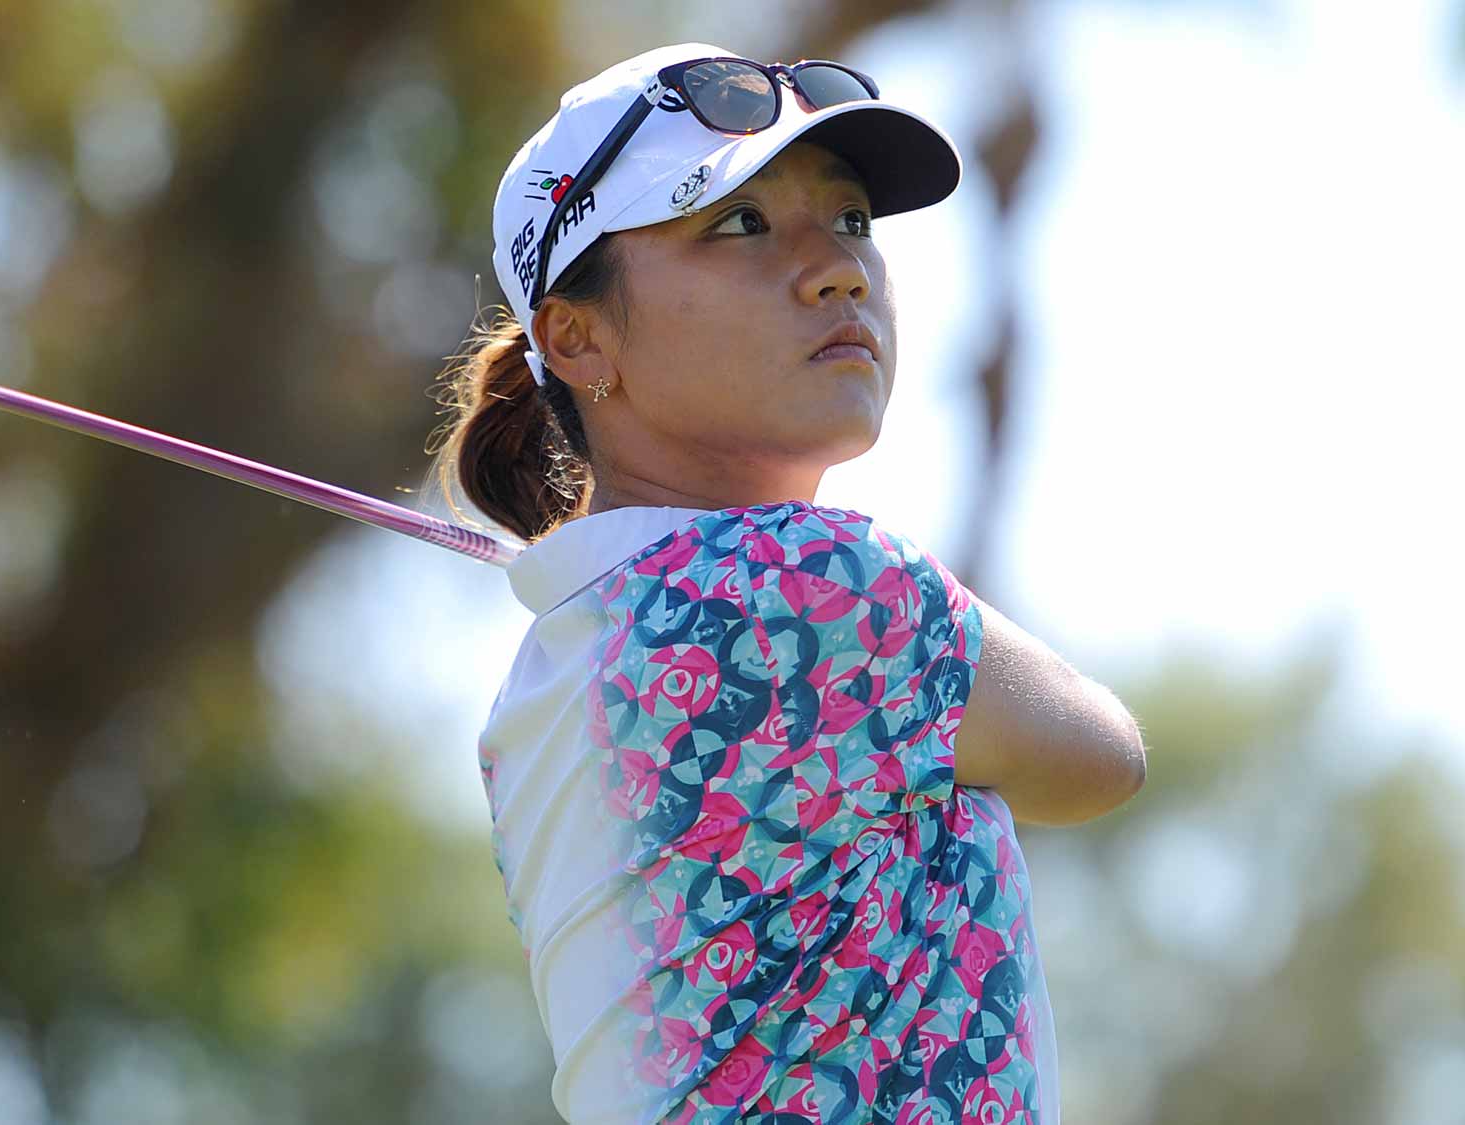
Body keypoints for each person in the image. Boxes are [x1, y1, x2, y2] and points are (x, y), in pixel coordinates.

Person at [429, 43, 1146, 1125]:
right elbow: (1097, 757)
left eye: (850, 221)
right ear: (576, 339)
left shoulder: (537, 683)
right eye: (740, 223)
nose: (837, 269)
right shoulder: (819, 578)